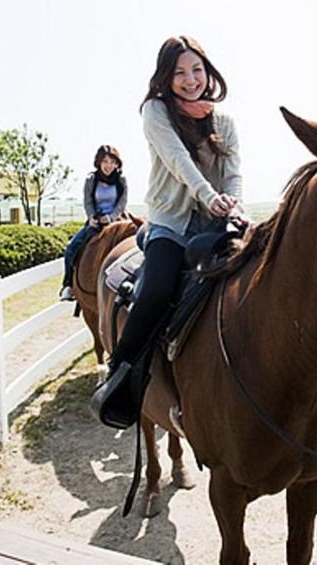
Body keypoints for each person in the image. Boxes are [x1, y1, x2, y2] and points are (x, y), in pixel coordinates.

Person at [90, 35, 243, 428]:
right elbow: (177, 160)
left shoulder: (224, 121)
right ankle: (120, 377)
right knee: (156, 291)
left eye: (196, 69)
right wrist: (209, 196)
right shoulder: (155, 111)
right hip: (171, 224)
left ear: (208, 71)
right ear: (166, 77)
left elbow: (234, 172)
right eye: (179, 72)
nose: (190, 79)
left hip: (215, 221)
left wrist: (234, 203)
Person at [59, 145, 128, 301]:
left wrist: (111, 217)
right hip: (95, 221)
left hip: (117, 220)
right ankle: (68, 285)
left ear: (117, 163)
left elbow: (122, 203)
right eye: (105, 161)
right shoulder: (91, 179)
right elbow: (88, 201)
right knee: (71, 248)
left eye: (112, 161)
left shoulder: (121, 180)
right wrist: (91, 217)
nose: (108, 165)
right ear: (99, 162)